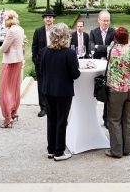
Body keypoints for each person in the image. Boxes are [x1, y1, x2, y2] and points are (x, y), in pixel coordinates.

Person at [40, 23, 80, 161]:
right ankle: (59, 152)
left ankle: (51, 150)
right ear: (65, 36)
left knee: (51, 120)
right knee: (62, 121)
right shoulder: (69, 53)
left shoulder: (45, 51)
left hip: (48, 90)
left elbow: (42, 71)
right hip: (63, 91)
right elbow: (75, 74)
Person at [105, 27, 130, 158]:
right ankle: (126, 149)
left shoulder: (112, 51)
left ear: (115, 39)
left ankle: (116, 151)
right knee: (129, 119)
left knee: (114, 119)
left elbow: (110, 49)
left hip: (117, 90)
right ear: (128, 38)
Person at [0, 10, 25, 128]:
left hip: (9, 62)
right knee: (15, 87)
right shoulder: (20, 29)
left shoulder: (11, 31)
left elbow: (3, 49)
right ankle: (14, 111)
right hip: (18, 60)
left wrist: (3, 42)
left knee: (4, 89)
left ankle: (7, 117)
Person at [90, 10, 115, 124]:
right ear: (99, 20)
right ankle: (91, 120)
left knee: (108, 93)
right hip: (97, 66)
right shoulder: (93, 32)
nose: (106, 23)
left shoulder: (113, 32)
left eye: (108, 21)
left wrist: (98, 47)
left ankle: (106, 119)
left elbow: (114, 49)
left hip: (110, 67)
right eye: (104, 20)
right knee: (94, 91)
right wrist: (105, 48)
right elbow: (91, 48)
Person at [32, 9, 56, 117]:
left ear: (53, 19)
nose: (48, 19)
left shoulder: (57, 31)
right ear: (44, 19)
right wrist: (36, 59)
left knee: (54, 84)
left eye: (50, 17)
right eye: (46, 17)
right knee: (41, 85)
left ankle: (52, 106)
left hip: (55, 62)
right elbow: (34, 47)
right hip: (41, 63)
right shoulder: (38, 31)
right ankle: (43, 107)